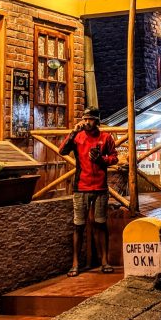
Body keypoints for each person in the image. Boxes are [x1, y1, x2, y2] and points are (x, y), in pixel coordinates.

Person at [59, 106, 119, 276]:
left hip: (100, 187)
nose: (87, 122)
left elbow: (114, 157)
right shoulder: (77, 136)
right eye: (85, 119)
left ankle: (104, 261)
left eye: (90, 119)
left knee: (100, 224)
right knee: (78, 225)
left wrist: (102, 159)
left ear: (97, 121)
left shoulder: (106, 137)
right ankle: (75, 263)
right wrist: (72, 132)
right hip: (81, 187)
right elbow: (62, 150)